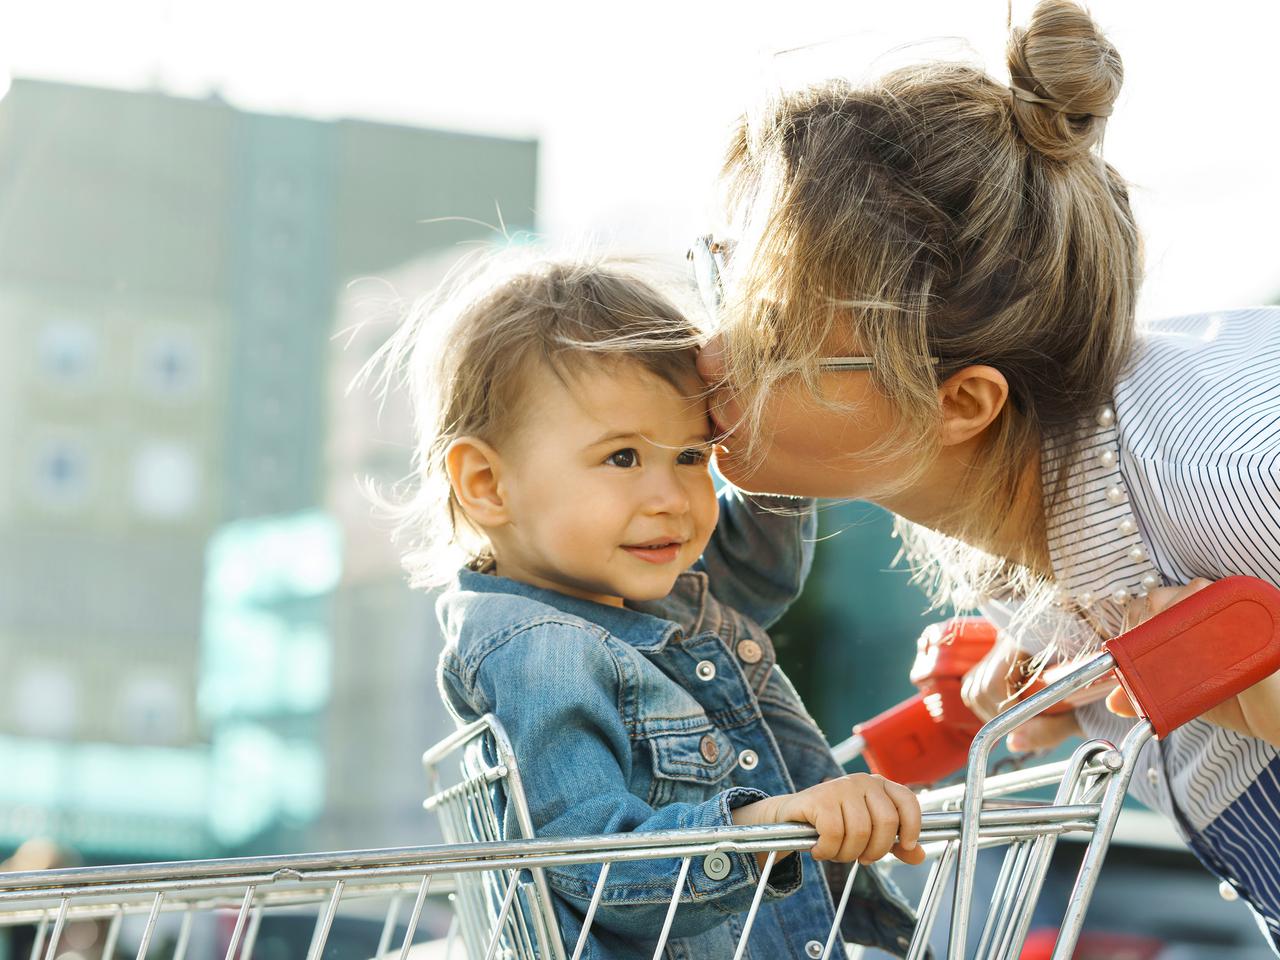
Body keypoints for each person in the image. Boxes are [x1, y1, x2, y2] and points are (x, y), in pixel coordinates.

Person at [690, 0, 1280, 949]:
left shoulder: (1226, 468)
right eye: (723, 284)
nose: (708, 352)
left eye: (774, 335)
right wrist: (1063, 670)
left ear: (959, 403)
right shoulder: (1026, 495)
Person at [367, 253, 926, 960]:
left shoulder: (641, 591)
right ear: (487, 483)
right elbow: (596, 861)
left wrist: (769, 413)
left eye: (691, 457)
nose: (671, 497)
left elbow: (760, 562)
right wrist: (763, 827)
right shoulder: (540, 649)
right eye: (624, 458)